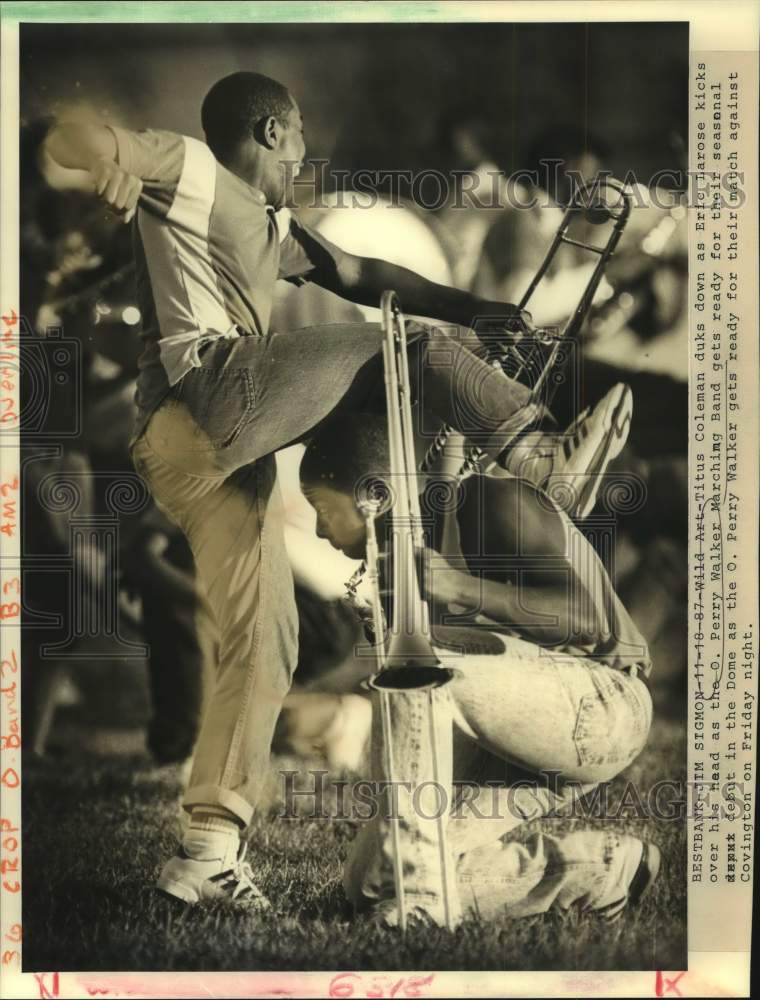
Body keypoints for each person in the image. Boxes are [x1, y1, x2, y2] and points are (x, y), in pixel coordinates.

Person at [44, 71, 632, 908]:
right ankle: (538, 457)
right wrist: (86, 148)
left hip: (190, 452)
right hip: (206, 396)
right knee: (412, 352)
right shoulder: (192, 168)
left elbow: (356, 271)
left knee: (269, 636)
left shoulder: (265, 224)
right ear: (275, 129)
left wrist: (476, 308)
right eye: (301, 137)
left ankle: (205, 853)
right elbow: (86, 134)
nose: (305, 156)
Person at [297, 414, 660, 927]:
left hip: (606, 706)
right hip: (523, 732)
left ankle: (423, 897)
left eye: (321, 509)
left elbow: (585, 618)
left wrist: (458, 589)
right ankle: (600, 871)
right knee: (372, 883)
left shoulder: (489, 500)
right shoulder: (411, 548)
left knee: (416, 668)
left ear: (375, 495)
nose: (316, 529)